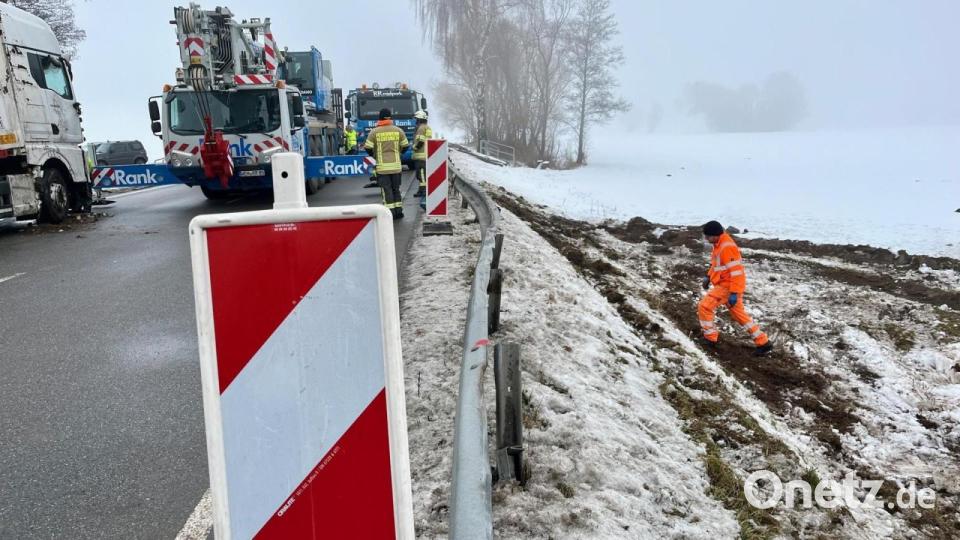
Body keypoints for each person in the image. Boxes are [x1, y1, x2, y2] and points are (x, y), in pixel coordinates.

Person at [698, 220, 773, 356]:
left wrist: (734, 292)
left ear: (715, 235)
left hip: (728, 286)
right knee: (739, 315)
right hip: (726, 285)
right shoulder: (719, 244)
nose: (706, 239)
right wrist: (709, 276)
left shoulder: (726, 247)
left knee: (705, 306)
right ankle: (763, 342)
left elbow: (736, 272)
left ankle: (710, 338)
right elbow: (717, 265)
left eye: (708, 236)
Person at [364, 108, 409, 219]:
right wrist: (399, 154)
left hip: (382, 168)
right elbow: (406, 145)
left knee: (386, 190)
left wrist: (374, 155)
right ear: (390, 117)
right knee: (396, 189)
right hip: (396, 167)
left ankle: (390, 213)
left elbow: (368, 147)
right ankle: (399, 211)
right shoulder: (398, 130)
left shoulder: (374, 132)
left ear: (380, 118)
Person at [411, 110, 432, 205]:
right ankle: (421, 190)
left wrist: (415, 147)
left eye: (416, 119)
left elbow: (420, 141)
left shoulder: (421, 128)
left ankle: (423, 190)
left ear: (420, 119)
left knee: (421, 174)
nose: (415, 121)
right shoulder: (427, 127)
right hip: (426, 154)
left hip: (421, 155)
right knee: (421, 174)